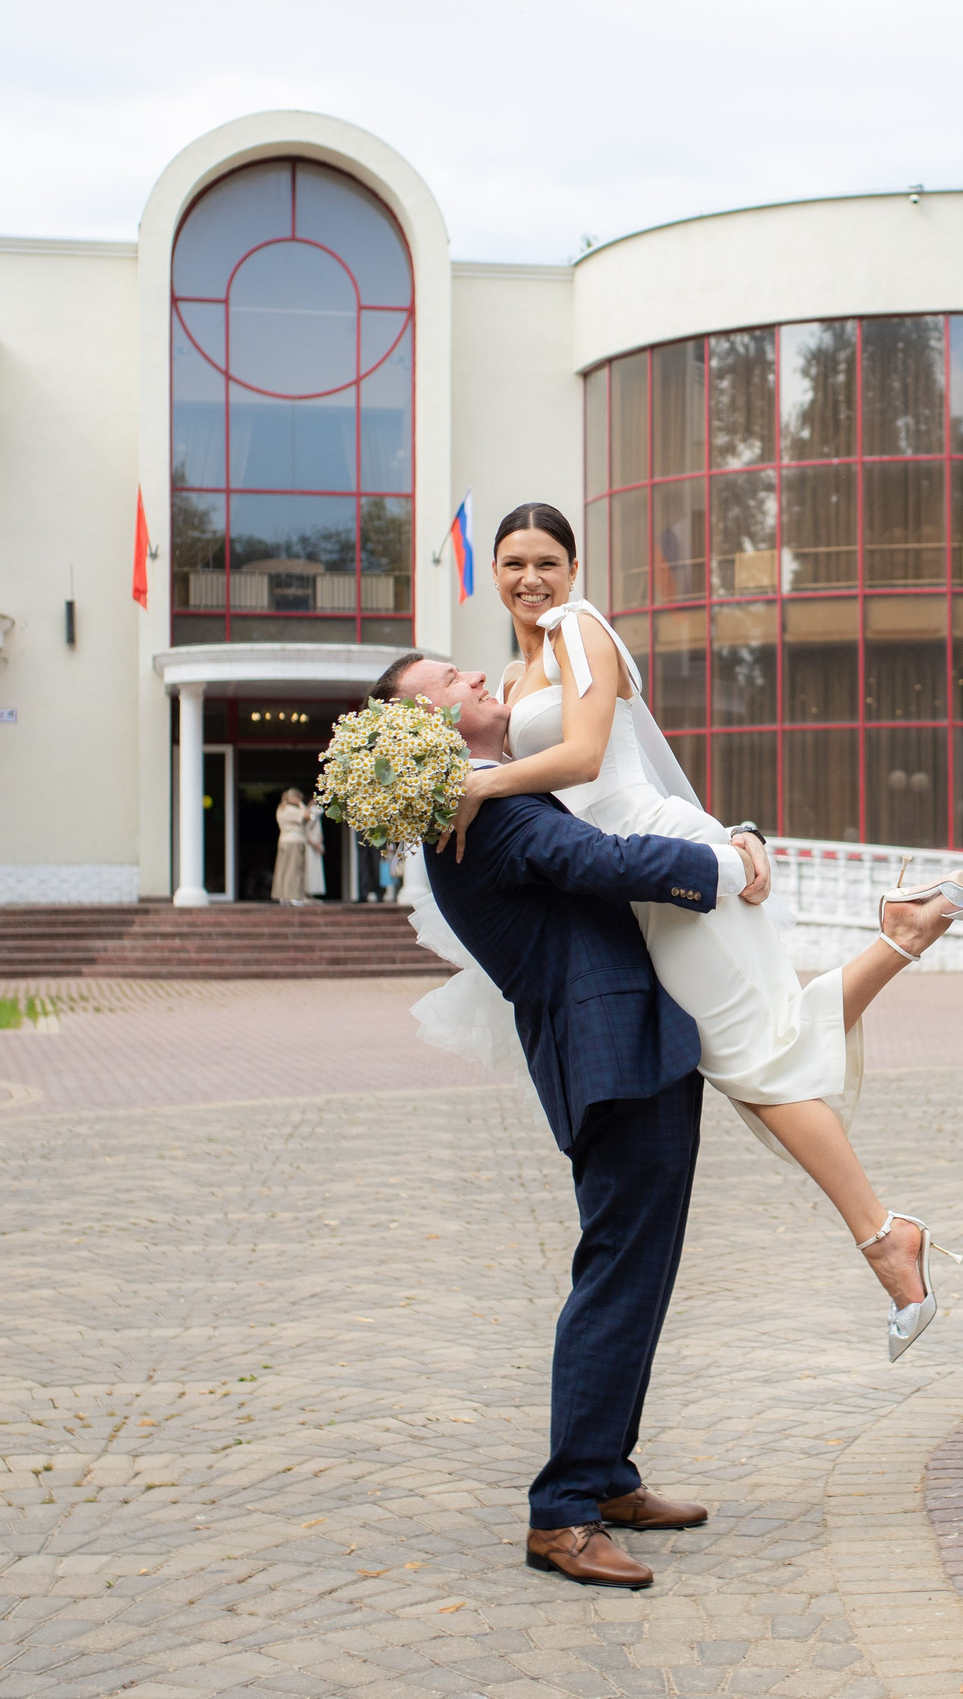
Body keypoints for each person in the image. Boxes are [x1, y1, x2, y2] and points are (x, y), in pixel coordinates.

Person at [422, 503, 963, 1358]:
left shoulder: (579, 630)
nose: (531, 579)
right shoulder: (511, 682)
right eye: (514, 562)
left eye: (548, 561)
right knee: (757, 1042)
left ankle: (887, 1237)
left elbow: (588, 758)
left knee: (750, 1059)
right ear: (492, 571)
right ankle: (904, 931)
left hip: (661, 852)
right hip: (631, 885)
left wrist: (480, 786)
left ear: (574, 569)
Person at [388, 653, 775, 1589]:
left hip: (625, 1048)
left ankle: (605, 1478)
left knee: (636, 1270)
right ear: (428, 727)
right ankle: (562, 1512)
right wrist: (731, 860)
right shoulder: (486, 812)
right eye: (449, 679)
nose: (476, 674)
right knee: (616, 1274)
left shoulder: (488, 800)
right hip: (613, 1057)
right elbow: (606, 863)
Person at [272, 788, 315, 905]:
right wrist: (302, 805)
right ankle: (293, 896)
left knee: (283, 869)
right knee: (294, 869)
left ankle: (283, 896)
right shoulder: (292, 810)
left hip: (283, 840)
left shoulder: (281, 809)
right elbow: (307, 816)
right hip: (294, 841)